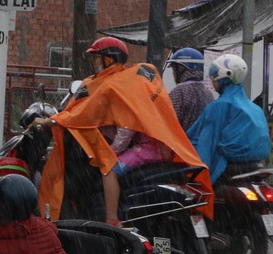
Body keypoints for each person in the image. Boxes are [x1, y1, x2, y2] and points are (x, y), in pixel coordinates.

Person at [30, 37, 213, 226]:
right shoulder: (133, 78)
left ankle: (111, 220)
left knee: (109, 170)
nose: (93, 63)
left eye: (96, 58)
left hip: (147, 146)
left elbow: (89, 117)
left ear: (107, 59)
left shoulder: (115, 85)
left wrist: (111, 152)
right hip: (164, 144)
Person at [186, 54, 271, 184]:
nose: (213, 81)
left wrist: (197, 176)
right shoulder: (254, 108)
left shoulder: (220, 105)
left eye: (214, 77)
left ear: (224, 76)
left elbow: (206, 142)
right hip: (252, 166)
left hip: (225, 167)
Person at [166, 48, 215, 131]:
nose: (173, 74)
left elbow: (167, 123)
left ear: (182, 69)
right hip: (203, 142)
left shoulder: (178, 93)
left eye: (175, 69)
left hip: (182, 143)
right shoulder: (208, 94)